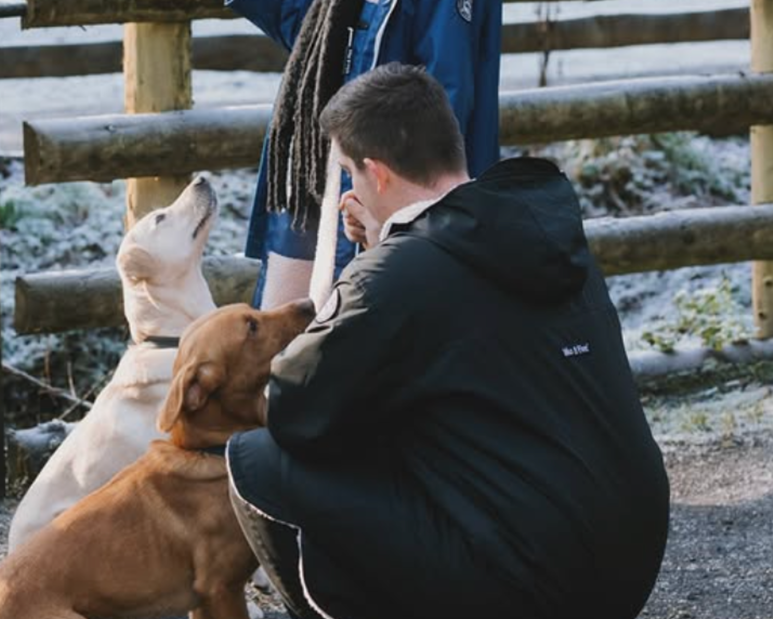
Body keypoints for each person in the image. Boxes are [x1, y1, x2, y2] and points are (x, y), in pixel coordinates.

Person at [225, 64, 670, 619]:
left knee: (255, 458)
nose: (350, 189)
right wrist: (385, 246)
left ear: (377, 174)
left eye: (348, 174)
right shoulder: (544, 233)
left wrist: (373, 264)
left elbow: (296, 408)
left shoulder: (398, 272)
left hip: (532, 587)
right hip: (627, 566)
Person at [224, 0, 502, 309]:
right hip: (314, 164)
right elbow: (306, 29)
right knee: (288, 325)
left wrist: (389, 212)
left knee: (371, 317)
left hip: (382, 175)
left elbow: (444, 101)